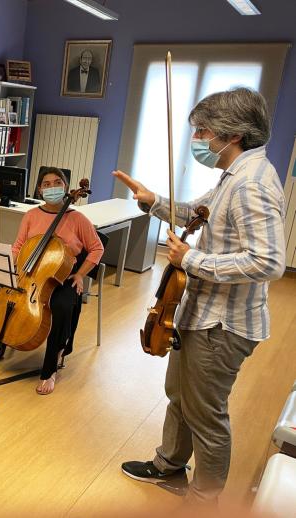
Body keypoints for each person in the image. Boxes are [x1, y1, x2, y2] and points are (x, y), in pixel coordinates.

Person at [114, 87, 286, 503]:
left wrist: (192, 259)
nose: (199, 139)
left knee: (206, 413)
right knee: (180, 395)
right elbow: (198, 212)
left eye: (203, 130)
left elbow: (269, 262)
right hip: (201, 314)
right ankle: (169, 465)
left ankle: (205, 499)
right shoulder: (233, 176)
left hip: (222, 326)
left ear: (231, 134)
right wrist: (153, 201)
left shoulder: (251, 185)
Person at [0, 167, 104, 394]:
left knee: (62, 307)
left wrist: (80, 274)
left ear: (66, 188)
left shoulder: (78, 219)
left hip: (60, 277)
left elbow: (97, 249)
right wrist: (10, 267)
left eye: (57, 182)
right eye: (46, 184)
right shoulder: (31, 215)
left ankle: (50, 368)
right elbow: (19, 246)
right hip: (27, 274)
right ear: (39, 189)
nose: (52, 187)